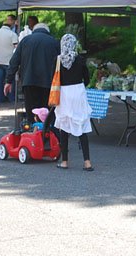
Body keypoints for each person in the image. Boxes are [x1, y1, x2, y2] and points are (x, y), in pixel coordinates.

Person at [4, 22, 60, 121]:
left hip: (28, 81)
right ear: (47, 31)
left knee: (31, 110)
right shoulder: (54, 42)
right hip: (48, 82)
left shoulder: (25, 40)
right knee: (47, 111)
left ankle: (32, 130)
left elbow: (14, 61)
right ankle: (46, 131)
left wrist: (8, 81)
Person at [54, 34, 94, 171]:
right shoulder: (80, 59)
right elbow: (87, 79)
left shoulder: (59, 60)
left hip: (64, 93)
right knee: (81, 124)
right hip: (78, 92)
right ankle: (87, 162)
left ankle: (65, 161)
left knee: (64, 126)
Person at [0, 17, 18, 103]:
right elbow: (16, 48)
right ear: (10, 26)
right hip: (8, 61)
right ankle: (11, 98)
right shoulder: (12, 34)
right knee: (9, 80)